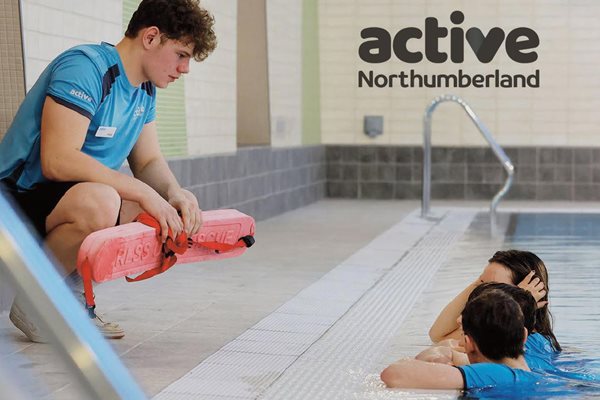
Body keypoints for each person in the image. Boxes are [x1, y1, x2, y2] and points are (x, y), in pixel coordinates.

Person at [0, 0, 217, 342]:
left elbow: (147, 162)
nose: (185, 69)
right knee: (105, 201)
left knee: (152, 207)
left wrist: (174, 193)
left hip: (63, 200)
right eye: (181, 55)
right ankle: (36, 300)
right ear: (150, 38)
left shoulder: (144, 90)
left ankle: (70, 295)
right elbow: (57, 160)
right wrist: (144, 192)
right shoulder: (86, 68)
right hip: (16, 196)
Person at [381, 289, 543, 390]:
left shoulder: (497, 374)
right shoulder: (529, 371)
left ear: (469, 343)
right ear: (524, 336)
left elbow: (393, 374)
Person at [428, 250, 561, 353]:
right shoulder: (498, 338)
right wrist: (480, 281)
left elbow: (442, 341)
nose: (482, 293)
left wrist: (519, 300)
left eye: (494, 288)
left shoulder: (522, 346)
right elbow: (437, 335)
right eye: (481, 285)